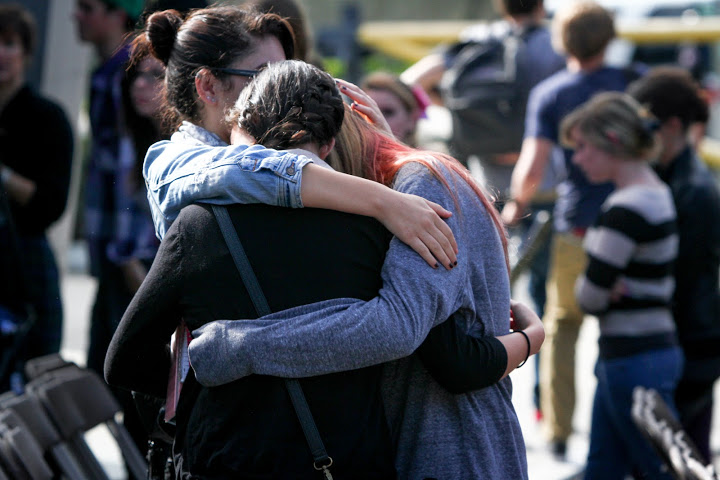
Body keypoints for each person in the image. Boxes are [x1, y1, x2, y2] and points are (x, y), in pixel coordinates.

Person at [106, 59, 542, 478]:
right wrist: (528, 339)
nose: (247, 174)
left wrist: (237, 347)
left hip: (450, 454)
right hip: (399, 452)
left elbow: (412, 334)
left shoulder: (416, 192)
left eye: (245, 161)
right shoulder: (385, 210)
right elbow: (449, 350)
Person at [141, 5, 458, 268]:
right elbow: (247, 171)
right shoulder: (169, 163)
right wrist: (386, 202)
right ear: (208, 87)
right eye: (265, 74)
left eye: (287, 72)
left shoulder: (287, 151)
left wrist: (384, 152)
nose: (283, 87)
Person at [500, 1, 642, 458]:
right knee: (626, 323)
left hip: (576, 223)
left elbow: (532, 165)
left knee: (563, 326)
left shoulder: (552, 93)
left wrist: (513, 209)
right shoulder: (632, 81)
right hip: (632, 222)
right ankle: (627, 419)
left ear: (564, 40)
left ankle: (559, 430)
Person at [562, 91, 682, 479]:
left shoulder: (626, 208)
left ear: (611, 141)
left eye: (582, 147)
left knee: (665, 469)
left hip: (634, 358)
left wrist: (597, 283)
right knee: (605, 467)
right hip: (638, 353)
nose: (577, 158)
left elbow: (589, 297)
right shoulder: (655, 193)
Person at [627, 67, 720, 464]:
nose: (639, 137)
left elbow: (682, 278)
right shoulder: (666, 177)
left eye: (647, 125)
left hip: (688, 346)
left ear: (673, 125)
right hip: (679, 340)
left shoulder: (694, 192)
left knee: (682, 461)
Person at [401, 0, 564, 201]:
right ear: (540, 6)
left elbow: (411, 81)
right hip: (542, 179)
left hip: (485, 185)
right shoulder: (555, 44)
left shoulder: (477, 38)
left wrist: (455, 108)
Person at [0, 3, 73, 389]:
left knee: (33, 384)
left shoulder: (47, 117)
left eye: (10, 43)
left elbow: (51, 205)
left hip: (24, 267)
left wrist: (5, 177)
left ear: (26, 53)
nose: (1, 53)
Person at [360, 71, 427, 146]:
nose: (375, 119)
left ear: (412, 119)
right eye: (366, 112)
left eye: (387, 112)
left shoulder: (430, 156)